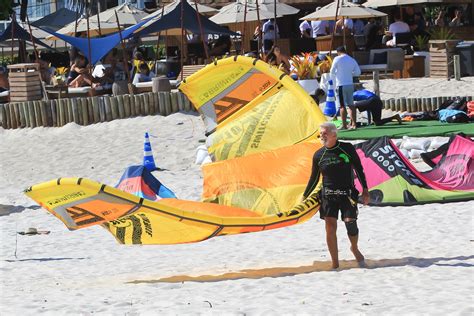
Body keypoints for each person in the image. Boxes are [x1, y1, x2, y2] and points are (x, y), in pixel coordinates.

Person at [303, 122, 369, 269]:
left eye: (325, 133)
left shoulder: (347, 148)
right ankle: (335, 263)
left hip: (347, 193)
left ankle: (354, 247)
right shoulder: (318, 155)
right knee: (330, 228)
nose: (322, 136)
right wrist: (304, 196)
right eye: (321, 133)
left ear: (334, 134)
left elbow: (359, 169)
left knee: (350, 222)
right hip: (328, 195)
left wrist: (365, 189)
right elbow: (313, 178)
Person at [329, 46, 361, 130]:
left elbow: (332, 71)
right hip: (350, 84)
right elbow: (358, 72)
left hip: (341, 85)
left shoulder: (337, 59)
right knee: (351, 104)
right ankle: (354, 124)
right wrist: (350, 74)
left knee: (342, 106)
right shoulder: (351, 59)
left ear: (338, 52)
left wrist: (338, 74)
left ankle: (344, 125)